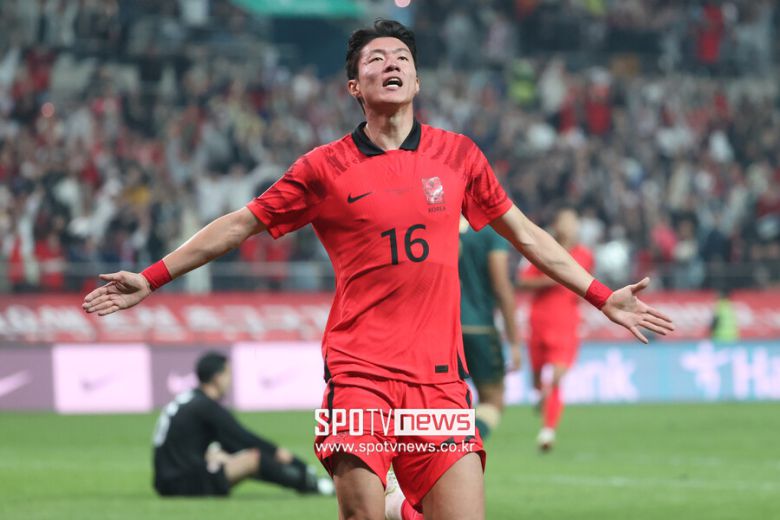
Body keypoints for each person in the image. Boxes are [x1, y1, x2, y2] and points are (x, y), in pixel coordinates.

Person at [83, 19, 674, 520]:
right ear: (354, 86)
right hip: (360, 374)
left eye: (402, 58)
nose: (391, 64)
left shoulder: (459, 155)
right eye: (376, 59)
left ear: (417, 80)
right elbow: (240, 224)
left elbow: (526, 234)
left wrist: (602, 295)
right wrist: (152, 277)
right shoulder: (323, 168)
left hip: (440, 383)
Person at [152, 351, 334, 497]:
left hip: (167, 480)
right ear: (217, 377)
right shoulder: (206, 407)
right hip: (182, 483)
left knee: (220, 453)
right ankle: (313, 484)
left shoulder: (189, 400)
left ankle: (308, 480)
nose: (229, 381)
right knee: (253, 458)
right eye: (227, 374)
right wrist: (288, 458)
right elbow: (244, 439)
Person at [517, 207, 592, 451]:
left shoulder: (585, 255)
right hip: (539, 322)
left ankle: (547, 431)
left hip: (567, 324)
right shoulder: (542, 248)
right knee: (537, 378)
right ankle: (541, 395)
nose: (570, 226)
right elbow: (522, 281)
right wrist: (549, 279)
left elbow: (587, 284)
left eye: (574, 222)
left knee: (557, 377)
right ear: (557, 224)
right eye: (565, 221)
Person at [458, 216, 521, 440]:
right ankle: (463, 448)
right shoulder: (489, 231)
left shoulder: (436, 223)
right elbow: (501, 287)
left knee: (441, 404)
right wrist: (514, 342)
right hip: (479, 327)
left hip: (440, 330)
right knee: (493, 400)